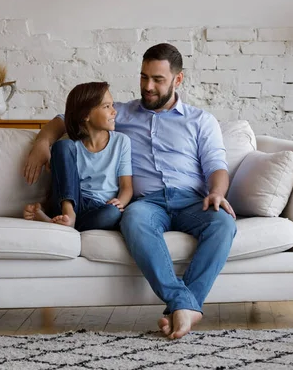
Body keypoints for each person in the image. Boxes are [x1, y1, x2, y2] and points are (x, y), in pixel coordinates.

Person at [22, 43, 236, 339]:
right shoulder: (120, 112)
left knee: (223, 223)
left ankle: (185, 304)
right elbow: (67, 117)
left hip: (191, 201)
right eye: (143, 77)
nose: (148, 86)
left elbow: (217, 166)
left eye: (157, 80)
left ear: (178, 80)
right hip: (147, 203)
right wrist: (43, 143)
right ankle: (184, 305)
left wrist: (217, 192)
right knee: (133, 219)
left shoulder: (201, 121)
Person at [23, 81, 133, 232]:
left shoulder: (122, 142)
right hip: (71, 201)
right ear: (86, 115)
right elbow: (61, 183)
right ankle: (68, 214)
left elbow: (127, 186)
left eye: (112, 105)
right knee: (62, 146)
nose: (114, 111)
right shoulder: (70, 144)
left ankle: (61, 223)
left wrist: (121, 201)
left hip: (100, 206)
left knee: (112, 214)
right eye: (107, 106)